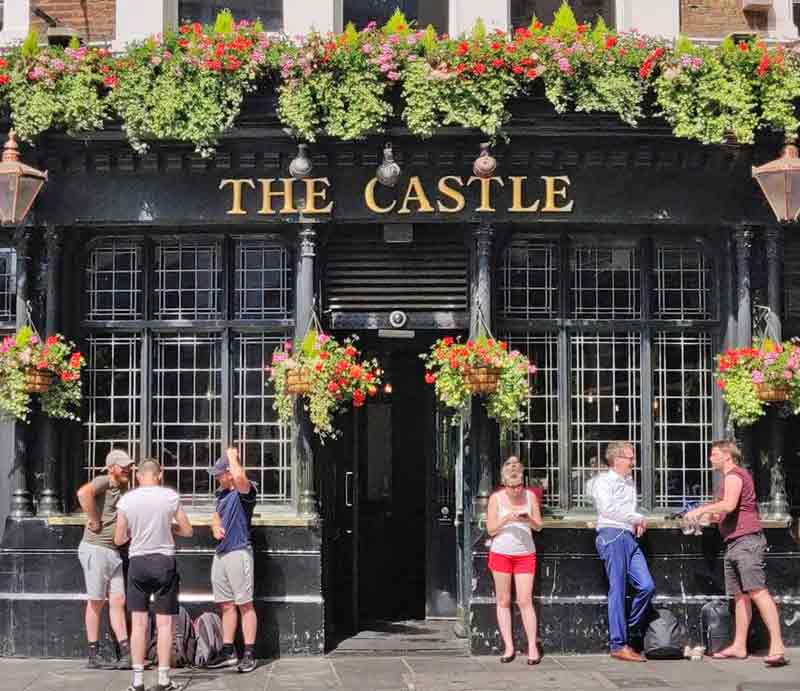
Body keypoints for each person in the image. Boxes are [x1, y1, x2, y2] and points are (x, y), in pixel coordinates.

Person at [684, 440, 788, 667]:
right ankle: (739, 646)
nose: (710, 458)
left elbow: (729, 505)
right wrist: (708, 516)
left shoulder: (734, 476)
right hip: (734, 542)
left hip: (746, 541)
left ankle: (778, 646)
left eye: (714, 454)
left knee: (758, 591)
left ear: (727, 456)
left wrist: (701, 509)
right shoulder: (729, 478)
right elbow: (729, 511)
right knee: (740, 596)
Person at [114, 459, 193, 691]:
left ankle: (138, 681)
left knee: (138, 623)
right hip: (164, 562)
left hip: (138, 562)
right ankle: (163, 679)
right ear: (160, 474)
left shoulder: (127, 500)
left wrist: (134, 532)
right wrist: (170, 528)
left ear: (138, 476)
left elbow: (119, 539)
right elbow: (187, 530)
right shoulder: (170, 497)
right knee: (165, 624)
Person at [591, 441, 655, 662]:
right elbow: (607, 509)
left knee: (646, 586)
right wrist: (636, 518)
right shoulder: (603, 481)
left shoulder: (629, 482)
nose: (633, 462)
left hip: (628, 536)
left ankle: (628, 629)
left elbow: (627, 511)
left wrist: (634, 522)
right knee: (617, 589)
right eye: (630, 457)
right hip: (612, 535)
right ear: (617, 459)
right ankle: (618, 644)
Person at [76, 448, 135, 669]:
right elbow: (83, 493)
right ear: (111, 467)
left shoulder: (123, 487)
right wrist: (94, 519)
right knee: (96, 601)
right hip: (96, 548)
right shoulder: (104, 480)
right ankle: (93, 653)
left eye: (129, 466)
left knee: (118, 601)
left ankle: (126, 652)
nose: (127, 469)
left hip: (114, 551)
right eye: (123, 466)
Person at [486, 456, 543, 665]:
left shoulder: (530, 496)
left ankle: (532, 646)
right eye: (512, 486)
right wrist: (506, 518)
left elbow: (539, 526)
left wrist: (528, 519)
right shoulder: (496, 499)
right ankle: (508, 646)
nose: (516, 490)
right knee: (503, 600)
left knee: (525, 600)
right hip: (501, 553)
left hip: (525, 553)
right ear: (504, 483)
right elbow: (491, 529)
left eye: (519, 485)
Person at [206, 447, 258, 673]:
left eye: (219, 474)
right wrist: (215, 526)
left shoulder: (246, 491)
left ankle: (249, 653)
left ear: (229, 472)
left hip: (239, 550)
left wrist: (232, 457)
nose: (217, 478)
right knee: (226, 604)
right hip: (221, 553)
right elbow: (216, 515)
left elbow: (239, 477)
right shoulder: (221, 494)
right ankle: (228, 652)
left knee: (245, 604)